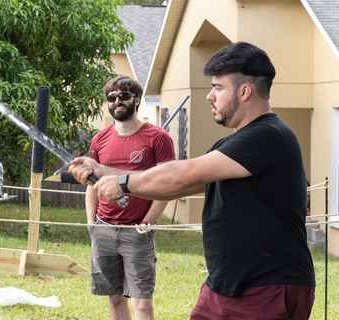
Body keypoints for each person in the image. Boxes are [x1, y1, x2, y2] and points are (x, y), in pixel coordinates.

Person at [69, 42, 316, 320]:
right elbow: (182, 185)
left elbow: (182, 175)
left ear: (245, 91)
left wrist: (123, 183)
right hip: (224, 285)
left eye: (218, 87)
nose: (210, 96)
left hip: (268, 287)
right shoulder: (233, 144)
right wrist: (102, 170)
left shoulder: (269, 136)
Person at [85, 75, 175, 320]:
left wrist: (148, 222)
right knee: (114, 299)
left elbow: (167, 184)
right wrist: (91, 223)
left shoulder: (157, 137)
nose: (117, 101)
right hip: (103, 228)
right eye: (112, 97)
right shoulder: (99, 140)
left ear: (137, 100)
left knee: (143, 303)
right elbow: (92, 185)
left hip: (138, 230)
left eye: (124, 96)